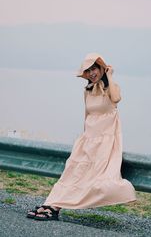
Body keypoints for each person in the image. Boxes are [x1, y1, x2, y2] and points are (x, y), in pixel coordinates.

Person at [27, 53, 136, 221]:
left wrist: (109, 76)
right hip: (88, 140)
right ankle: (51, 204)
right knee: (71, 174)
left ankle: (54, 206)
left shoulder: (111, 88)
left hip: (105, 141)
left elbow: (116, 98)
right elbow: (87, 116)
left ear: (102, 68)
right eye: (88, 70)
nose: (92, 73)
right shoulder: (87, 91)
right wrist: (84, 140)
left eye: (95, 69)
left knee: (91, 178)